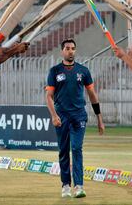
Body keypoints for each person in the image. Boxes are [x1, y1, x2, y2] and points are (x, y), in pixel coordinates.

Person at [45, 38, 105, 198]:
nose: (70, 51)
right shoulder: (54, 71)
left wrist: (99, 117)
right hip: (62, 117)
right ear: (62, 51)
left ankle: (79, 186)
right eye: (67, 48)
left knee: (76, 149)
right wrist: (54, 116)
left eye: (72, 48)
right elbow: (48, 96)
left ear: (75, 51)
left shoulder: (83, 71)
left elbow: (92, 95)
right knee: (63, 151)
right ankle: (65, 185)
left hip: (79, 115)